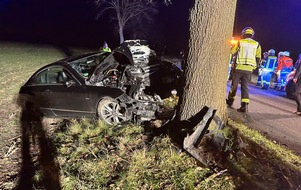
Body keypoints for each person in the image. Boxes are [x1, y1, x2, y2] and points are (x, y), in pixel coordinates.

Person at [226, 27, 262, 112]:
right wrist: (254, 67)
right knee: (245, 87)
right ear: (252, 35)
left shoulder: (240, 42)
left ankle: (230, 101)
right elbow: (258, 58)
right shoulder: (257, 44)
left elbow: (232, 51)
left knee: (234, 86)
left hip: (239, 67)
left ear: (243, 34)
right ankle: (244, 106)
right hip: (249, 69)